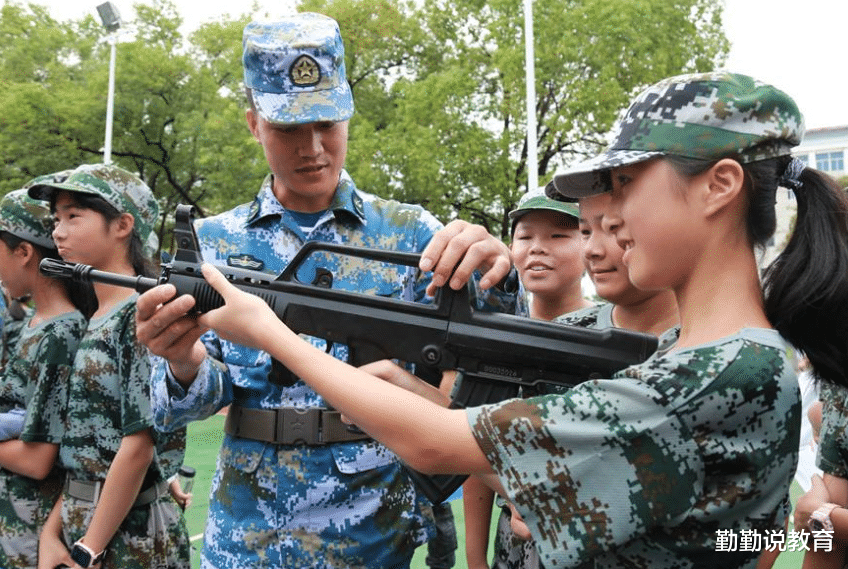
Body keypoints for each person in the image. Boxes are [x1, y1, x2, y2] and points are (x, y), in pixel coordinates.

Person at [175, 71, 848, 568]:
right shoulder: (695, 352)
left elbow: (439, 444)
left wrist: (269, 330)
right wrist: (407, 383)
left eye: (625, 184)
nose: (608, 221)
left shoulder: (719, 371)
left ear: (720, 186)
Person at [134, 12, 513, 569]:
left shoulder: (412, 234)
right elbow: (181, 406)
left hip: (372, 530)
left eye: (328, 123)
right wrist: (181, 362)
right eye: (289, 128)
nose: (313, 147)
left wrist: (498, 270)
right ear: (253, 125)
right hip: (249, 531)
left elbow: (495, 355)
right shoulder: (213, 242)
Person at [28, 163, 190, 569]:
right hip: (86, 519)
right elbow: (88, 446)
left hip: (129, 533)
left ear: (122, 225)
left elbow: (138, 446)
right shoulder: (98, 314)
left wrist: (88, 549)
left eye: (73, 216)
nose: (58, 231)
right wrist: (54, 533)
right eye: (56, 219)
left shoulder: (142, 314)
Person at [464, 192, 592, 569]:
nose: (538, 248)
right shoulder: (497, 336)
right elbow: (471, 448)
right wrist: (475, 557)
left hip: (589, 533)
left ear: (590, 244)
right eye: (525, 237)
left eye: (558, 236)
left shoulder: (615, 335)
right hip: (514, 540)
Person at [0, 187, 89, 568]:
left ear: (23, 253)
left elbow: (38, 458)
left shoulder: (60, 333)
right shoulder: (31, 326)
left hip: (30, 533)